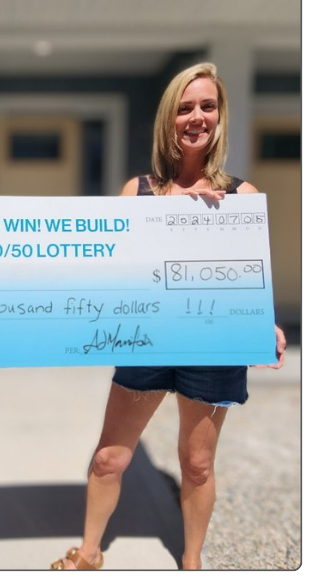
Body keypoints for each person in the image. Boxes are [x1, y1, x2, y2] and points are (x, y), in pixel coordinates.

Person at [49, 62, 287, 571]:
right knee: (109, 458)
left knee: (197, 465)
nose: (196, 117)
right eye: (185, 108)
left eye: (207, 106)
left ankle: (192, 562)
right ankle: (89, 554)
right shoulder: (136, 193)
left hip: (211, 345)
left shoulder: (240, 198)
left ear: (220, 117)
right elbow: (110, 270)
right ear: (168, 119)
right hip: (146, 340)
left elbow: (249, 280)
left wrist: (262, 323)